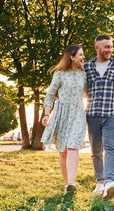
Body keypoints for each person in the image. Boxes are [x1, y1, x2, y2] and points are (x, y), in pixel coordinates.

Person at [84, 34, 114, 199]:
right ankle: (100, 182)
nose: (109, 50)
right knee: (95, 151)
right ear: (97, 48)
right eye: (106, 47)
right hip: (92, 114)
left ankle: (110, 181)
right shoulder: (86, 66)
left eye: (110, 46)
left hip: (112, 114)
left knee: (110, 147)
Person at [41, 45, 86, 195]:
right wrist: (47, 114)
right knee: (63, 151)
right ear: (72, 57)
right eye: (80, 55)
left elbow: (89, 93)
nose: (83, 58)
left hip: (78, 113)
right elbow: (50, 94)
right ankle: (67, 185)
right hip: (61, 113)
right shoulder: (59, 75)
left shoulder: (84, 74)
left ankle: (72, 183)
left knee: (73, 145)